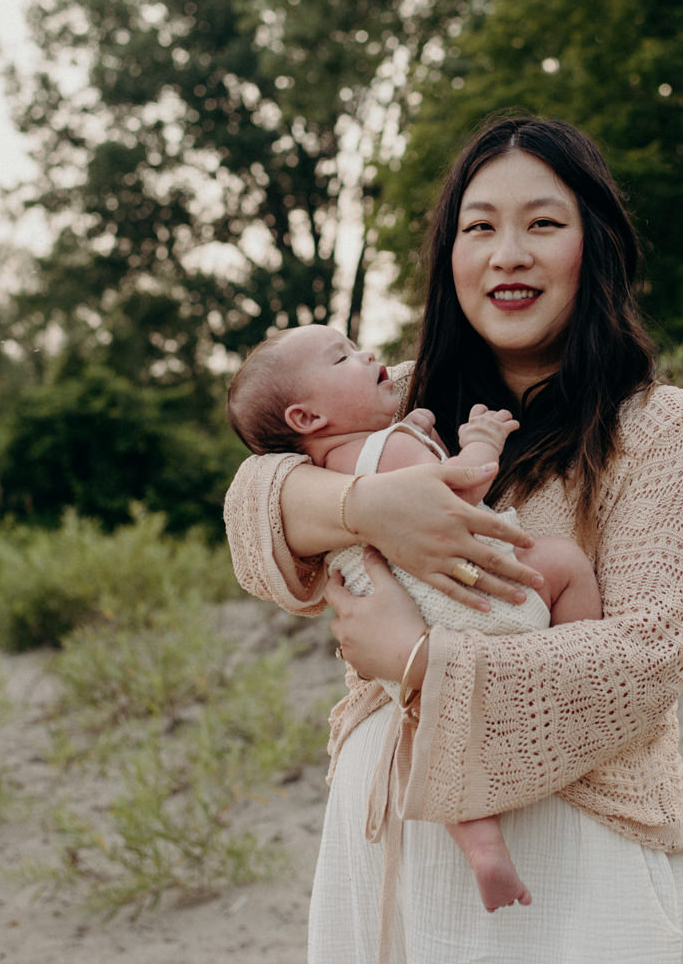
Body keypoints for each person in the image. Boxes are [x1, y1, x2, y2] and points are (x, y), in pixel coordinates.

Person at [223, 114, 683, 964]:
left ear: (592, 245)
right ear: (447, 254)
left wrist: (419, 663)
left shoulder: (664, 431)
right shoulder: (400, 408)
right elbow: (254, 505)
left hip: (579, 847)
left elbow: (647, 655)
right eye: (480, 225)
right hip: (398, 857)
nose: (507, 253)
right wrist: (363, 504)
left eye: (542, 223)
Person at [224, 322, 603, 911]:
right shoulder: (388, 448)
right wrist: (480, 441)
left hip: (391, 638)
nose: (370, 354)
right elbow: (465, 487)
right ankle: (575, 648)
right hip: (471, 601)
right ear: (306, 419)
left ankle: (482, 849)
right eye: (343, 357)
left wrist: (417, 429)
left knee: (430, 725)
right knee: (565, 563)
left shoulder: (333, 463)